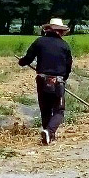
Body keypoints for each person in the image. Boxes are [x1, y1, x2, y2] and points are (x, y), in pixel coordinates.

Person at [18, 17, 73, 145]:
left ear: (48, 29)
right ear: (60, 31)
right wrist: (63, 79)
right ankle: (49, 131)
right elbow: (68, 66)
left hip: (42, 79)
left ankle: (47, 134)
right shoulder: (65, 46)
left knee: (45, 108)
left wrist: (21, 62)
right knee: (59, 110)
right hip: (58, 81)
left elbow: (27, 59)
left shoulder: (39, 42)